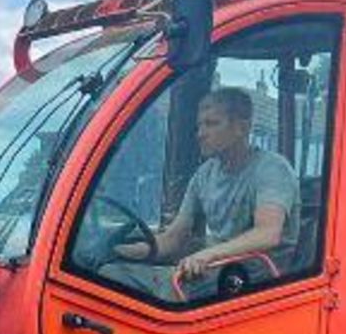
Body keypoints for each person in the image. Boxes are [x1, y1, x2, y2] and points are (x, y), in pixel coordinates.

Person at [113, 86, 298, 294]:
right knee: (112, 271)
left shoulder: (272, 169)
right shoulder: (205, 174)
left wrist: (207, 255)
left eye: (211, 124)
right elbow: (173, 238)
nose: (201, 134)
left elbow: (268, 234)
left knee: (130, 289)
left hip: (254, 279)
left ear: (242, 128)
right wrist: (122, 251)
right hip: (216, 270)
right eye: (199, 126)